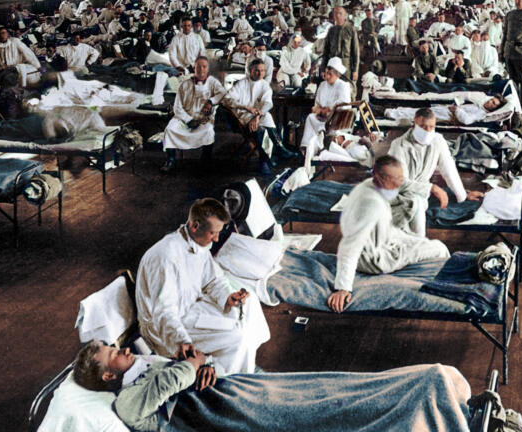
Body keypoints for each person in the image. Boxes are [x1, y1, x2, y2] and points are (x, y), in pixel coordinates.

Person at [72, 340, 474, 432]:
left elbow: (186, 371)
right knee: (323, 410)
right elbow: (171, 383)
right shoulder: (125, 401)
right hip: (224, 414)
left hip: (234, 389)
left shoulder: (144, 367)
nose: (124, 348)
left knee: (327, 387)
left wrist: (201, 365)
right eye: (114, 353)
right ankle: (428, 398)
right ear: (108, 376)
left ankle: (433, 389)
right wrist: (190, 367)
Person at [135, 198, 270, 375]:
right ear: (194, 226)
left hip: (189, 310)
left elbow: (213, 280)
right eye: (213, 233)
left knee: (248, 304)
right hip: (166, 329)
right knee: (237, 337)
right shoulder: (165, 258)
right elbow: (163, 312)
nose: (216, 238)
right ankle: (231, 379)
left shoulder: (198, 243)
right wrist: (181, 340)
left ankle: (241, 361)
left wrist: (228, 297)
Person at [329, 155, 452, 312]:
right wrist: (343, 288)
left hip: (384, 241)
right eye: (395, 180)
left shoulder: (370, 185)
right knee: (439, 248)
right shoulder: (370, 205)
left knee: (422, 242)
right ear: (379, 178)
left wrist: (432, 189)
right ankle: (448, 290)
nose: (399, 184)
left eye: (400, 178)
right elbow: (349, 246)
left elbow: (404, 185)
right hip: (375, 260)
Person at [388, 108, 484, 236]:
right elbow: (398, 182)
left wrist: (463, 196)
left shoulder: (437, 140)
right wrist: (431, 188)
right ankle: (418, 242)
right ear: (415, 122)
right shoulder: (398, 145)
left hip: (420, 193)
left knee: (419, 201)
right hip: (399, 194)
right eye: (423, 127)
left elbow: (449, 169)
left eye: (431, 127)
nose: (427, 131)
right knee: (415, 204)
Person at [161, 56, 226, 172]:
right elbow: (177, 108)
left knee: (208, 131)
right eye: (198, 67)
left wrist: (211, 101)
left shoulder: (213, 82)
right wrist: (188, 120)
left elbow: (223, 93)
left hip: (202, 119)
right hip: (184, 118)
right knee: (170, 129)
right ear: (194, 68)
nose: (201, 70)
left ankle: (205, 160)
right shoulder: (185, 84)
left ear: (208, 68)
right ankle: (171, 160)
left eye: (204, 67)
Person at [224, 59, 287, 174]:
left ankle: (278, 151)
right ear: (250, 70)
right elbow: (227, 99)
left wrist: (257, 116)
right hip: (243, 117)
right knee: (262, 131)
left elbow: (268, 103)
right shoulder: (242, 83)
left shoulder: (264, 85)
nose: (260, 73)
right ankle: (266, 161)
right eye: (257, 70)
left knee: (269, 119)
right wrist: (245, 107)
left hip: (258, 115)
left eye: (262, 70)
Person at [300, 57, 352, 172]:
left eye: (330, 74)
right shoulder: (322, 85)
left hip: (336, 120)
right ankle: (308, 149)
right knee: (310, 118)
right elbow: (316, 105)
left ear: (337, 74)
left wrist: (326, 111)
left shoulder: (343, 85)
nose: (327, 77)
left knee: (319, 122)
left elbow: (343, 107)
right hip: (322, 117)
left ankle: (317, 147)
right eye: (326, 74)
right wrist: (322, 111)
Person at [323, 7, 359, 83]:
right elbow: (326, 51)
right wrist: (323, 68)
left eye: (340, 13)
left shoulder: (351, 30)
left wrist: (355, 70)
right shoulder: (331, 30)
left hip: (346, 64)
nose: (338, 15)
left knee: (347, 86)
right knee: (333, 86)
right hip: (333, 64)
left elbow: (356, 52)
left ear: (345, 15)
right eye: (335, 13)